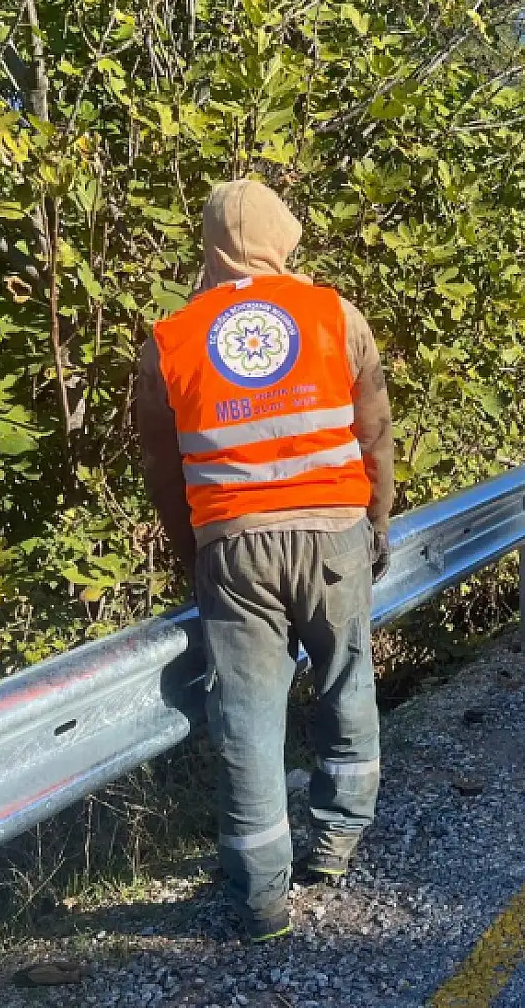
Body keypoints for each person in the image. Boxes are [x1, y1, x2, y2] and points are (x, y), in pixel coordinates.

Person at [134, 179, 394, 943]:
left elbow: (162, 468)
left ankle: (260, 902)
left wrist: (194, 551)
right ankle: (337, 842)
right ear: (283, 237)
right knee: (346, 681)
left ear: (210, 246)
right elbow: (374, 431)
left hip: (234, 544)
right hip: (334, 533)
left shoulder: (170, 340)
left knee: (246, 718)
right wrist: (376, 522)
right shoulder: (335, 315)